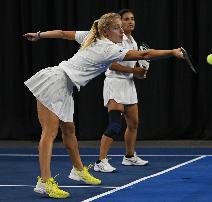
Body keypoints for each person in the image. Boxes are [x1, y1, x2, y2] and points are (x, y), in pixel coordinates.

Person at [24, 12, 184, 199]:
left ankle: (78, 171)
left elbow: (61, 33)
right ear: (107, 31)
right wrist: (172, 52)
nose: (122, 32)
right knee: (50, 132)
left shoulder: (92, 36)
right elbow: (145, 53)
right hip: (55, 81)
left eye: (122, 28)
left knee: (68, 130)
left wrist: (39, 35)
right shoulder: (108, 48)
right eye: (118, 28)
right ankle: (44, 182)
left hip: (65, 86)